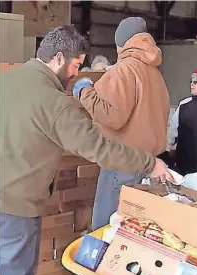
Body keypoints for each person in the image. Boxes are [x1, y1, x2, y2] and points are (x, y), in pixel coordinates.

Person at [0, 25, 172, 275]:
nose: (76, 73)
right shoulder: (54, 103)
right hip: (16, 207)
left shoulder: (4, 81)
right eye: (76, 65)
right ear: (58, 58)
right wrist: (150, 163)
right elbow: (98, 147)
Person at [72, 17, 170, 231]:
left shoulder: (124, 70)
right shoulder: (155, 73)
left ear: (121, 43)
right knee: (133, 229)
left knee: (105, 229)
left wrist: (84, 91)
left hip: (122, 162)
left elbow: (111, 116)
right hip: (149, 163)